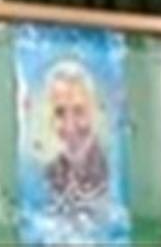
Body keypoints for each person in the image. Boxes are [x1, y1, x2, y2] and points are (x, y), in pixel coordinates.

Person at [44, 63, 109, 210]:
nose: (70, 126)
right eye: (60, 112)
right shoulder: (51, 172)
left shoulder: (112, 169)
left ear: (94, 112)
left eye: (79, 111)